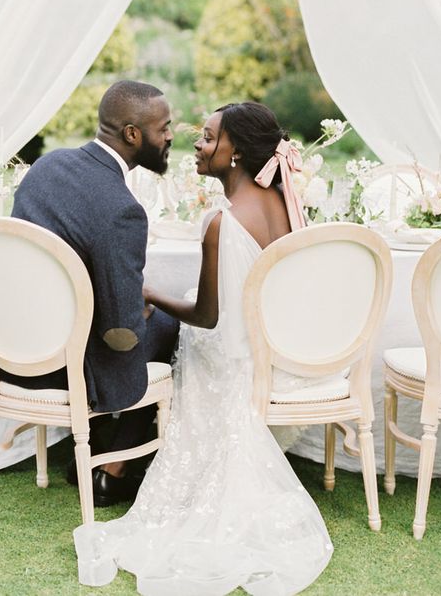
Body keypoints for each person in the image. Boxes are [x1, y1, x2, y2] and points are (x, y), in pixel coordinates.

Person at [74, 102, 333, 595]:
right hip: (268, 351)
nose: (197, 143)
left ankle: (115, 451)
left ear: (235, 153)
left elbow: (208, 316)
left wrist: (151, 294)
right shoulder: (280, 200)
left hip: (230, 361)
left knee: (175, 333)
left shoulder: (220, 220)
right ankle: (118, 456)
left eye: (209, 138)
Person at [4, 80, 180, 507]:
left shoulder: (46, 167)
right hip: (65, 365)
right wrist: (144, 303)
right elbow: (121, 334)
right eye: (165, 127)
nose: (172, 135)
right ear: (133, 135)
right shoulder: (122, 209)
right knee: (171, 327)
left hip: (14, 350)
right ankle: (114, 467)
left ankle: (100, 437)